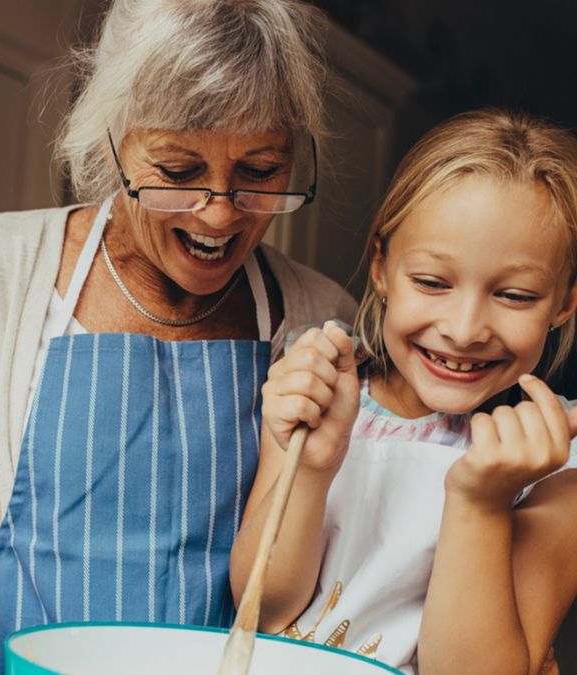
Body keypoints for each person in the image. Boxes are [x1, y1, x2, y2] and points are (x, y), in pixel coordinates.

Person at [0, 1, 357, 673]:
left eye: (258, 171)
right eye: (177, 171)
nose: (219, 212)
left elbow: (322, 586)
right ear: (112, 140)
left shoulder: (317, 316)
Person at [229, 108, 577, 674]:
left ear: (564, 302)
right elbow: (261, 608)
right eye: (432, 283)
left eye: (515, 295)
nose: (465, 329)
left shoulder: (561, 470)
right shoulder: (321, 389)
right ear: (381, 266)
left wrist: (480, 501)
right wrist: (313, 467)